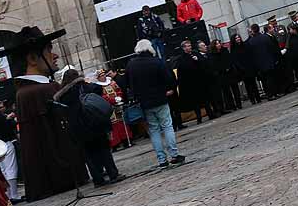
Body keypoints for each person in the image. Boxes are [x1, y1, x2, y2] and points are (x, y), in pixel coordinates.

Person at [1, 26, 89, 200]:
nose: (55, 56)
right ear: (33, 59)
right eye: (49, 50)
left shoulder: (30, 90)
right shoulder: (35, 91)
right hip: (60, 179)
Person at [124, 39, 185, 169]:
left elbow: (128, 83)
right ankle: (174, 154)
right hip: (160, 99)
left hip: (144, 102)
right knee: (167, 126)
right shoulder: (156, 62)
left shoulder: (131, 65)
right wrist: (170, 90)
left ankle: (162, 159)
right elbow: (169, 78)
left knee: (154, 130)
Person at [54, 68, 120, 187]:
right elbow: (98, 89)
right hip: (92, 123)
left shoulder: (62, 95)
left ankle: (98, 179)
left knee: (89, 155)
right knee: (104, 149)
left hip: (77, 128)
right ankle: (113, 174)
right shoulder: (82, 86)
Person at [175, 40, 217, 124]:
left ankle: (210, 114)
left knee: (205, 100)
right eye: (186, 46)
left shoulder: (196, 54)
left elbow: (204, 65)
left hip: (200, 81)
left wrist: (197, 60)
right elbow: (181, 71)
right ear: (183, 48)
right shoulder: (181, 58)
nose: (188, 47)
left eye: (189, 46)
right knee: (195, 102)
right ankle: (199, 117)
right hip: (191, 83)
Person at [245, 23, 278, 99]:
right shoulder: (265, 37)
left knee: (264, 80)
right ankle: (274, 93)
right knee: (271, 78)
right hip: (269, 61)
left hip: (259, 64)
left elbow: (251, 55)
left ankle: (269, 95)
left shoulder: (251, 41)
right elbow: (271, 48)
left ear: (253, 30)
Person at [231, 32, 261, 105]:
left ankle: (258, 98)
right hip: (242, 70)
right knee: (248, 85)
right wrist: (241, 68)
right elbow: (235, 61)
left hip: (250, 67)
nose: (238, 39)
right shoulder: (234, 49)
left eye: (238, 37)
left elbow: (250, 55)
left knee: (254, 83)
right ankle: (252, 99)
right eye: (236, 38)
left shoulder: (245, 45)